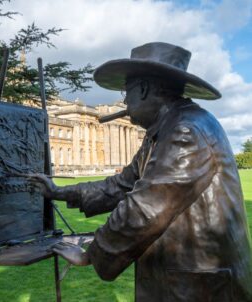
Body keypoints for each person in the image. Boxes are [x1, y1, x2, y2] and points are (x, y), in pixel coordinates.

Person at [30, 42, 252, 301]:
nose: (124, 102)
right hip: (180, 279)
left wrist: (93, 253)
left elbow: (145, 208)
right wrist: (58, 191)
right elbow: (119, 186)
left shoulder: (186, 130)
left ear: (144, 89)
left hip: (200, 287)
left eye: (127, 93)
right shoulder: (162, 132)